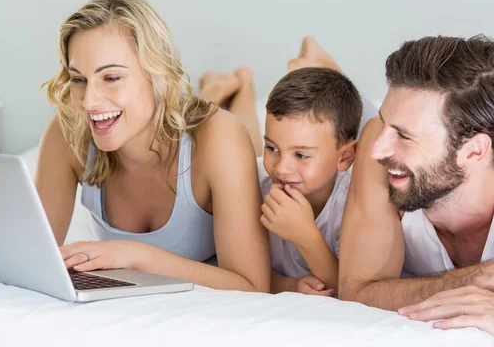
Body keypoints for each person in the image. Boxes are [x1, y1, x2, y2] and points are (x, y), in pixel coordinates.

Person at [35, 0, 270, 292]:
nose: (89, 102)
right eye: (79, 79)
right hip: (170, 114)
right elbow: (32, 256)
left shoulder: (220, 138)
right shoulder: (68, 130)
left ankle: (242, 88)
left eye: (111, 78)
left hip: (211, 132)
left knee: (249, 141)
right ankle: (212, 89)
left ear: (156, 74)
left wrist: (137, 256)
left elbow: (252, 286)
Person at [338, 35, 494, 334]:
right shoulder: (376, 143)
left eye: (405, 136)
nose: (376, 151)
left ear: (474, 151)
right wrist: (473, 280)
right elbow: (356, 292)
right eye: (386, 124)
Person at [198, 37, 375, 296]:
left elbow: (353, 287)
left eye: (301, 155)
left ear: (345, 157)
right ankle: (221, 92)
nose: (281, 168)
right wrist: (288, 286)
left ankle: (240, 87)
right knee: (241, 145)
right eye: (273, 148)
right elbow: (240, 269)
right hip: (248, 161)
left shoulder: (354, 202)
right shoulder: (253, 187)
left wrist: (307, 237)